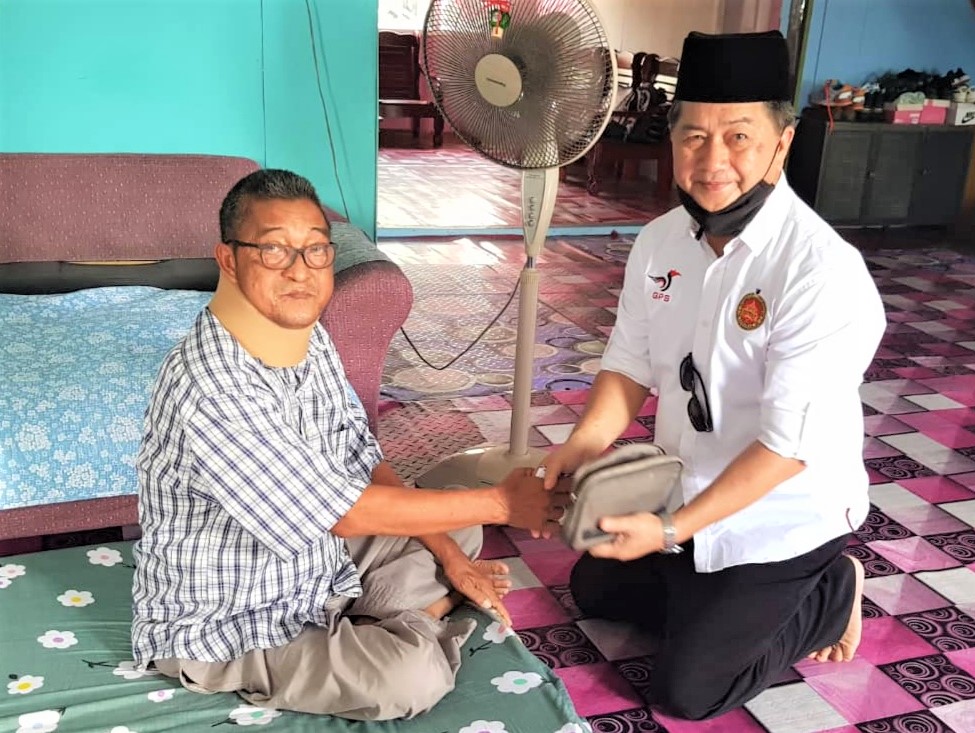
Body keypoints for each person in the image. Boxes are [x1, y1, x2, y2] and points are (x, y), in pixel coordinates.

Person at [131, 169, 569, 721]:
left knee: (458, 527)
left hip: (317, 566)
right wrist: (502, 502)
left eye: (315, 250)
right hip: (234, 619)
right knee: (408, 679)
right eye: (274, 250)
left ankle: (392, 613)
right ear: (229, 259)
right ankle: (417, 621)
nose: (300, 271)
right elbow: (342, 513)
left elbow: (361, 454)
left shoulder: (306, 338)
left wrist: (454, 559)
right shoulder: (211, 382)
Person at [541, 31, 886, 721]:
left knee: (690, 690)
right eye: (694, 136)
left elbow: (786, 448)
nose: (713, 161)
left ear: (782, 142)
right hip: (688, 486)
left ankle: (831, 590)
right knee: (593, 587)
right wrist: (582, 446)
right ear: (672, 138)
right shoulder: (659, 242)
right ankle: (707, 593)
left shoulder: (820, 270)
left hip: (786, 512)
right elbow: (628, 365)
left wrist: (671, 532)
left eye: (738, 137)